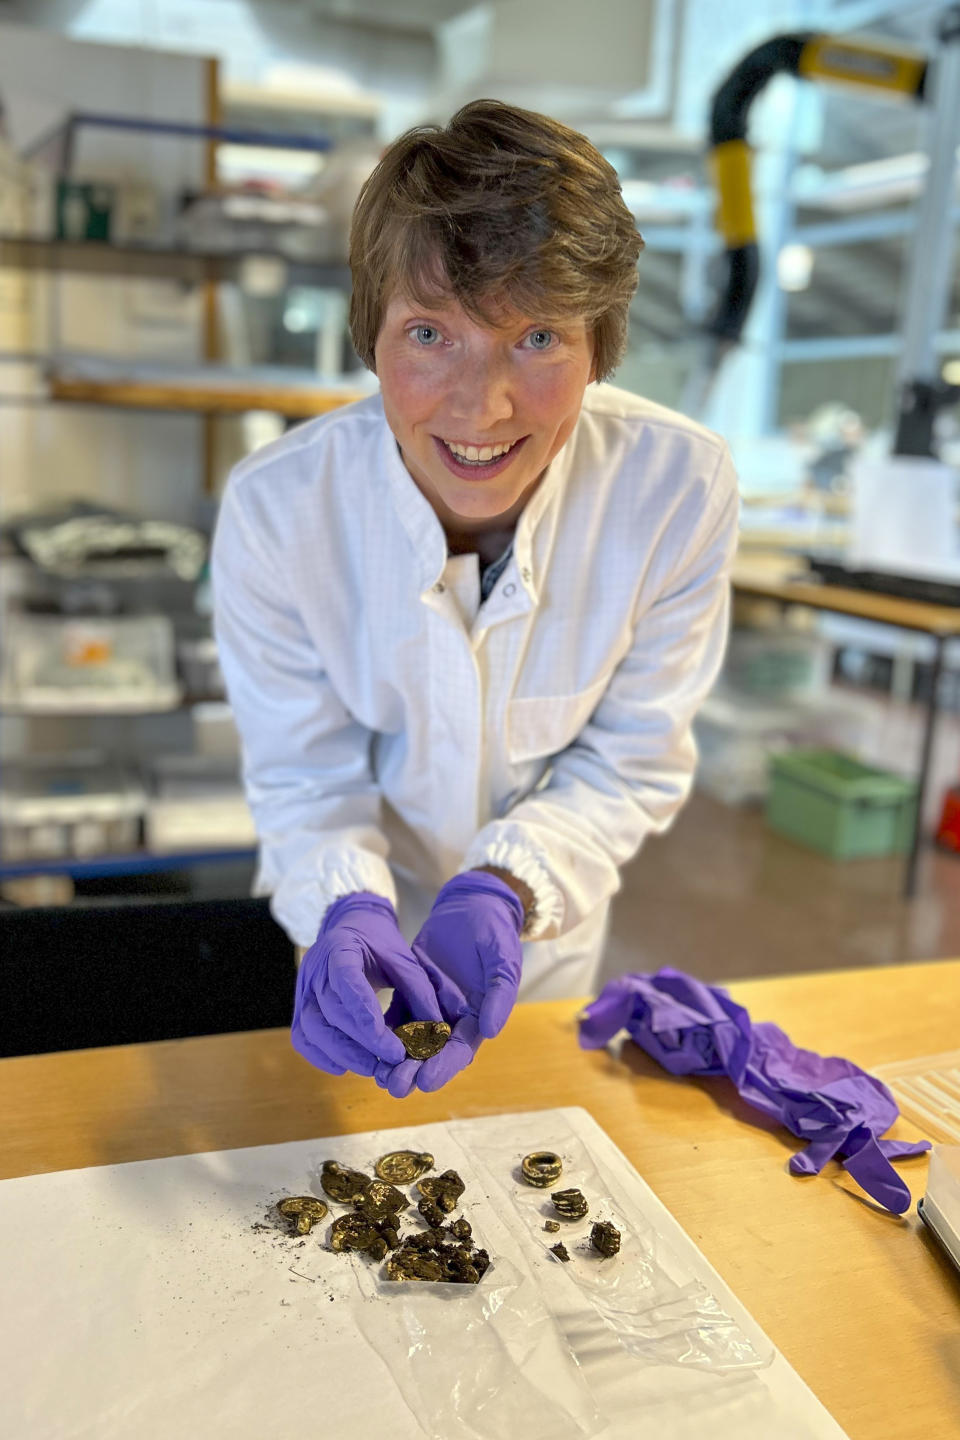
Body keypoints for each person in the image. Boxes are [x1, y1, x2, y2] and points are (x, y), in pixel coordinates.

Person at [212, 99, 739, 1101]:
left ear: (602, 345)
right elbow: (303, 779)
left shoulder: (675, 486)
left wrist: (508, 883)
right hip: (352, 946)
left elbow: (630, 760)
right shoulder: (281, 510)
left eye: (538, 336)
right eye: (429, 333)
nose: (481, 404)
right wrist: (345, 911)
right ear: (368, 336)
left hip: (540, 948)